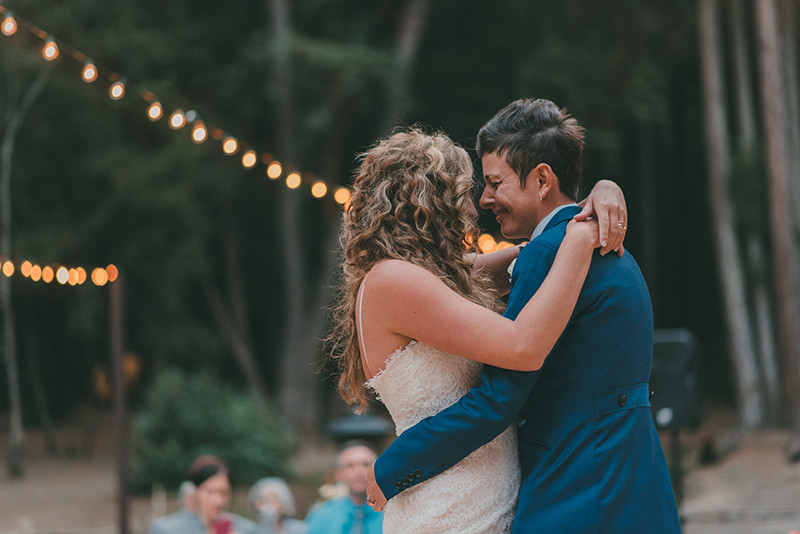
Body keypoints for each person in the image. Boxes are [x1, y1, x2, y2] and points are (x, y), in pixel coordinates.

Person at [366, 99, 682, 533]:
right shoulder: (608, 245)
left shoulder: (554, 253)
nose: (484, 198)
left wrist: (394, 465)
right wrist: (606, 187)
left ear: (541, 179)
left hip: (577, 492)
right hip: (635, 483)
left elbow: (500, 397)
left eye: (495, 182)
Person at [327, 125, 625, 533]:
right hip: (448, 506)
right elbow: (523, 347)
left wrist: (605, 191)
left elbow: (533, 254)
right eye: (463, 194)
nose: (476, 207)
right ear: (429, 201)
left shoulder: (432, 278)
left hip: (487, 497)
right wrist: (580, 237)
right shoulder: (394, 281)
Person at [149, 455, 258, 534]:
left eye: (223, 493)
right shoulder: (167, 530)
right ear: (196, 491)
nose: (217, 500)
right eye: (210, 492)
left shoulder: (246, 529)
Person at [304, 440, 384, 534]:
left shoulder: (394, 513)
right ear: (338, 474)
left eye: (366, 464)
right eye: (350, 466)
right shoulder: (322, 516)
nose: (359, 471)